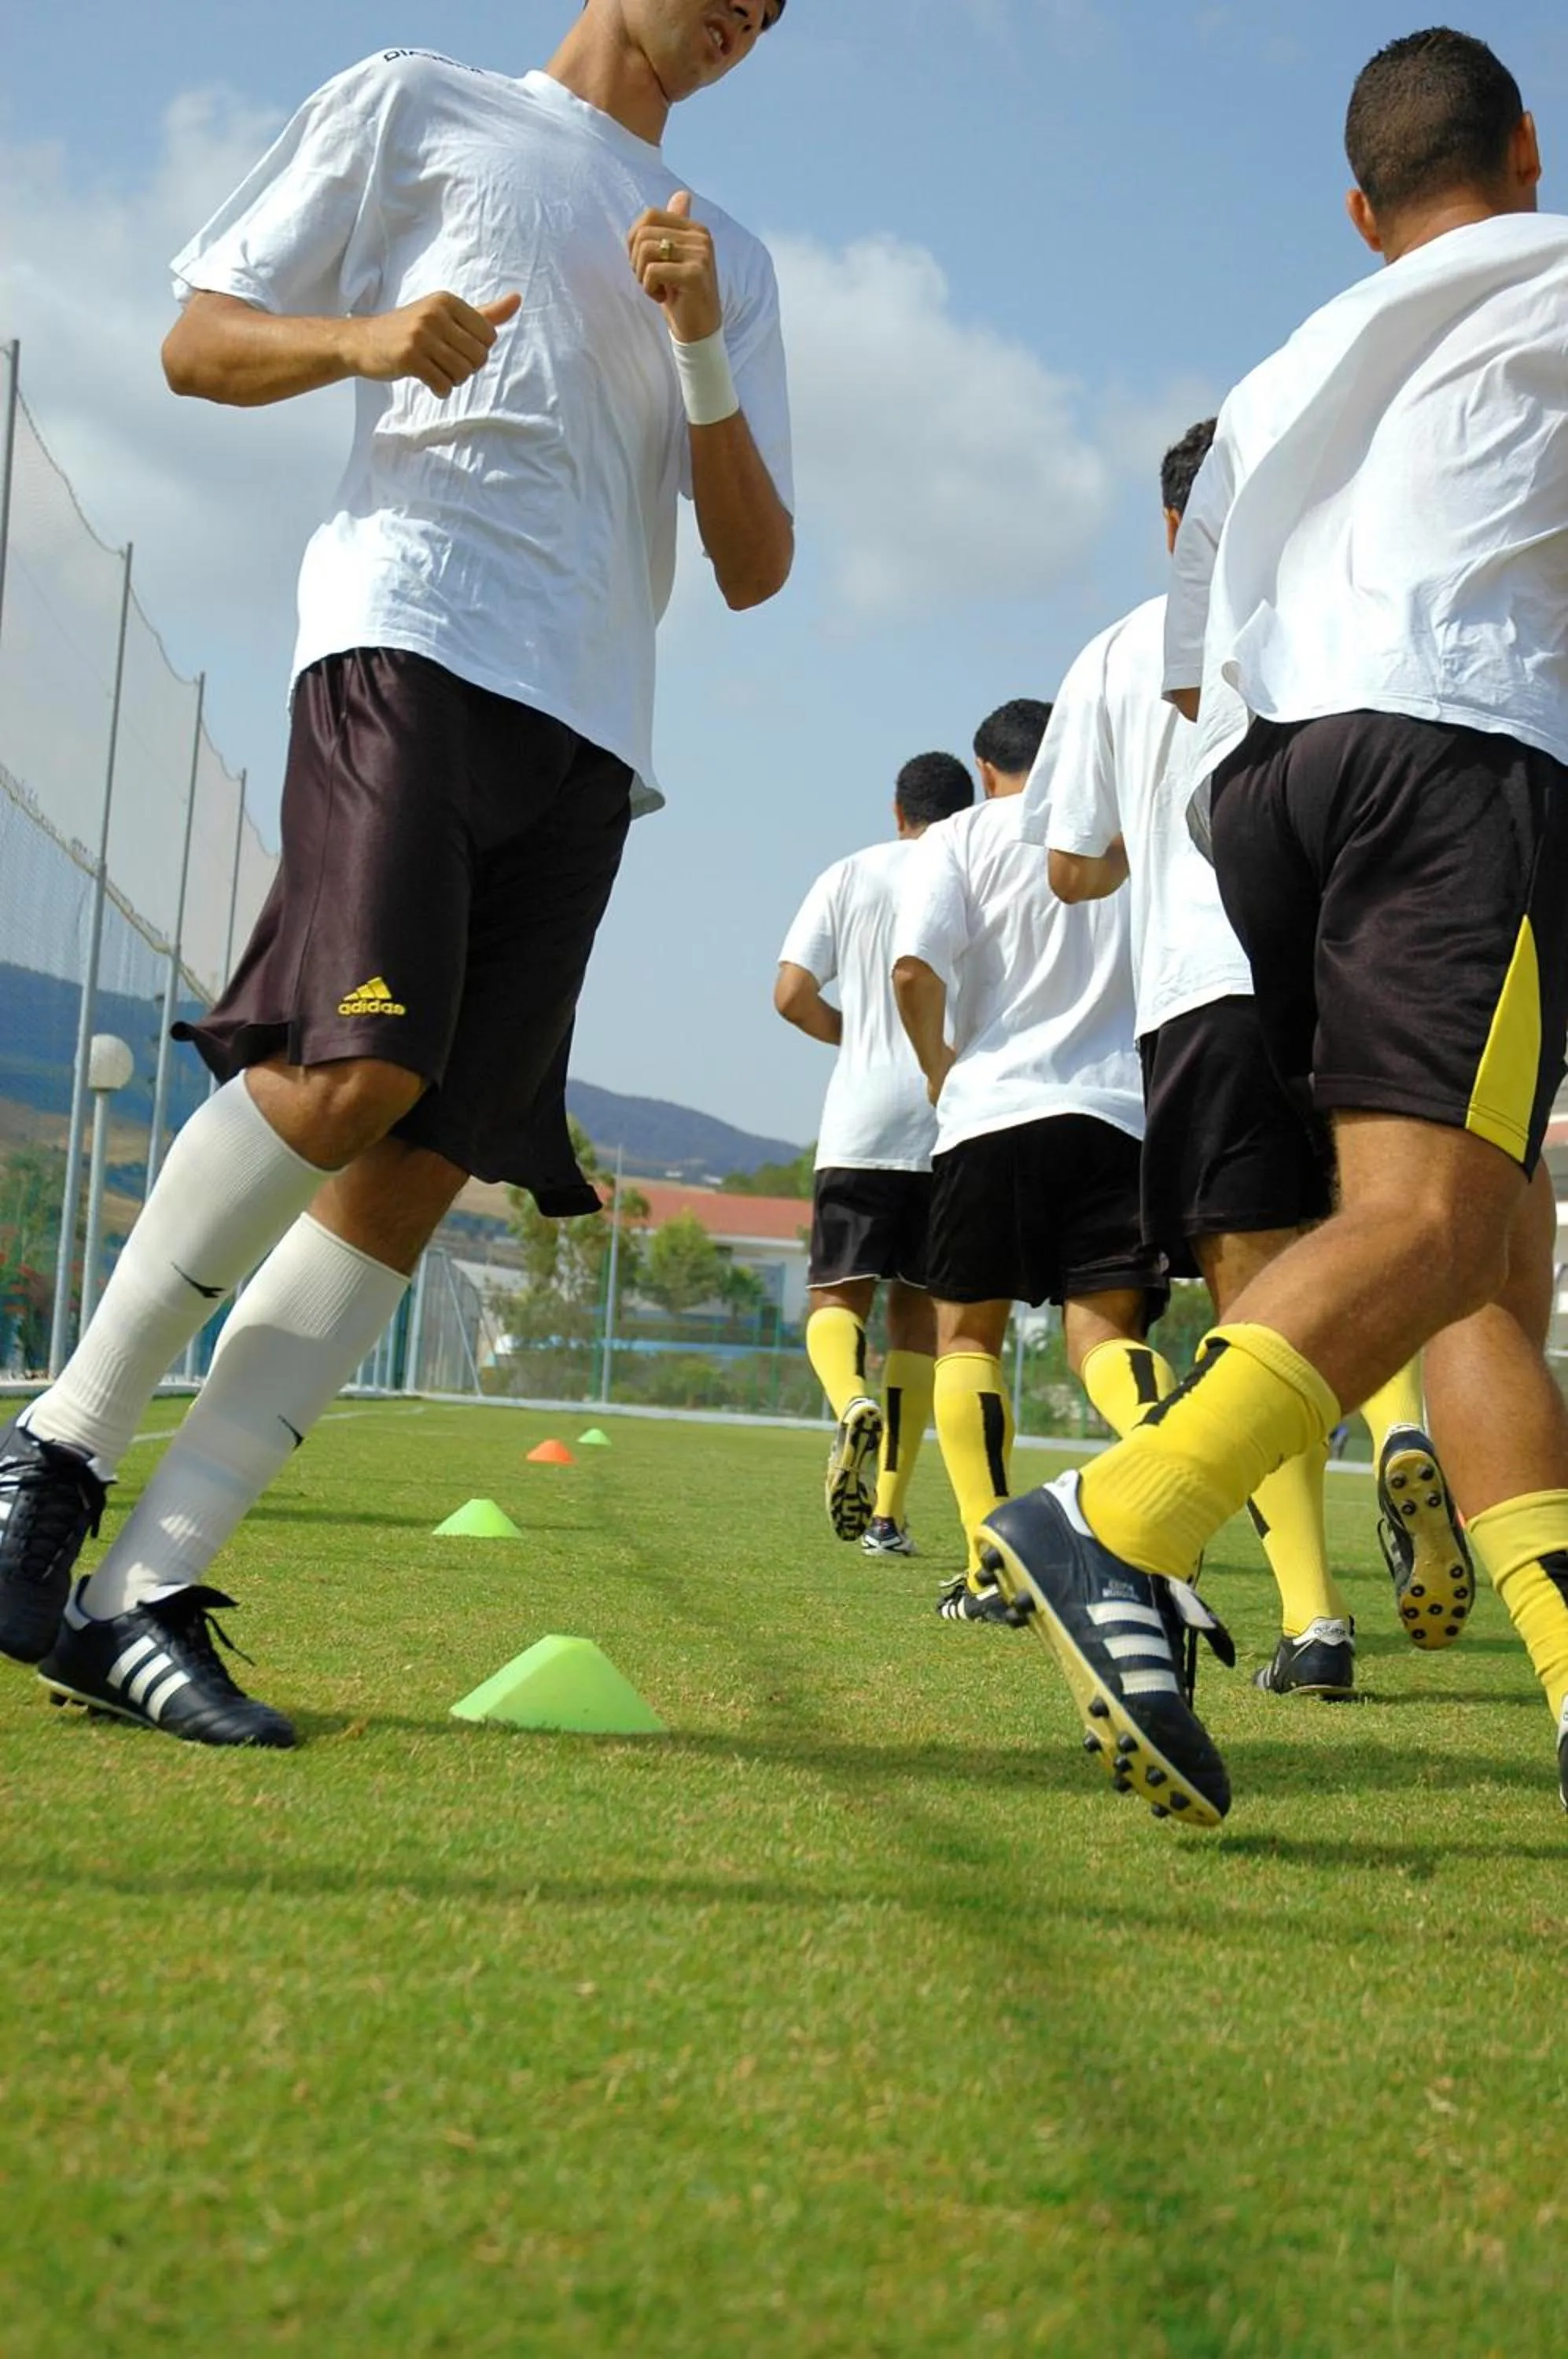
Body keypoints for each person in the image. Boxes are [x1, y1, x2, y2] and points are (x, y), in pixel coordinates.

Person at [0, 1, 794, 1747]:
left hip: (595, 733)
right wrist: (369, 340)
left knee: (422, 1164)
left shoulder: (726, 255)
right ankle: (54, 1443)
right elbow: (195, 348)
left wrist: (702, 342)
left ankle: (143, 1595)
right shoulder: (419, 103)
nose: (746, 17)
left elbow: (753, 565)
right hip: (408, 639)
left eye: (774, 9)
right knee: (354, 1067)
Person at [981, 28, 1568, 1824]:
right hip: (1447, 742)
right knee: (1430, 1215)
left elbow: (1178, 662)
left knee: (1477, 1242)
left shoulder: (1277, 369)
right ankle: (1124, 1516)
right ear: (1523, 147)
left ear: (1353, 207)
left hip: (1264, 786)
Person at [1029, 420, 1470, 1702]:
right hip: (1344, 979)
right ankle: (1398, 1432)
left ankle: (1312, 1622)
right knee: (1379, 1233)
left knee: (1253, 1300)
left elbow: (1070, 864)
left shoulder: (1117, 654)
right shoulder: (1335, 609)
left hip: (1200, 987)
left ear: (1170, 526)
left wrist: (1123, 840)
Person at [893, 701, 1171, 1621]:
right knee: (1108, 1344)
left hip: (993, 1111)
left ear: (981, 769)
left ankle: (990, 1568)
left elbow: (911, 969)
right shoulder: (1127, 843)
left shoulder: (963, 835)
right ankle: (1176, 1499)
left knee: (968, 1339)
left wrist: (939, 1065)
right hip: (1122, 1114)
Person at [776, 753, 975, 1553]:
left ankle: (847, 1401)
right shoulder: (977, 881)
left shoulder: (848, 874)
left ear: (897, 811)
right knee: (919, 1321)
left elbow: (790, 994)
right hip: (950, 1118)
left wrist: (853, 1035)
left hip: (860, 1121)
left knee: (836, 1299)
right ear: (966, 816)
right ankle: (889, 1514)